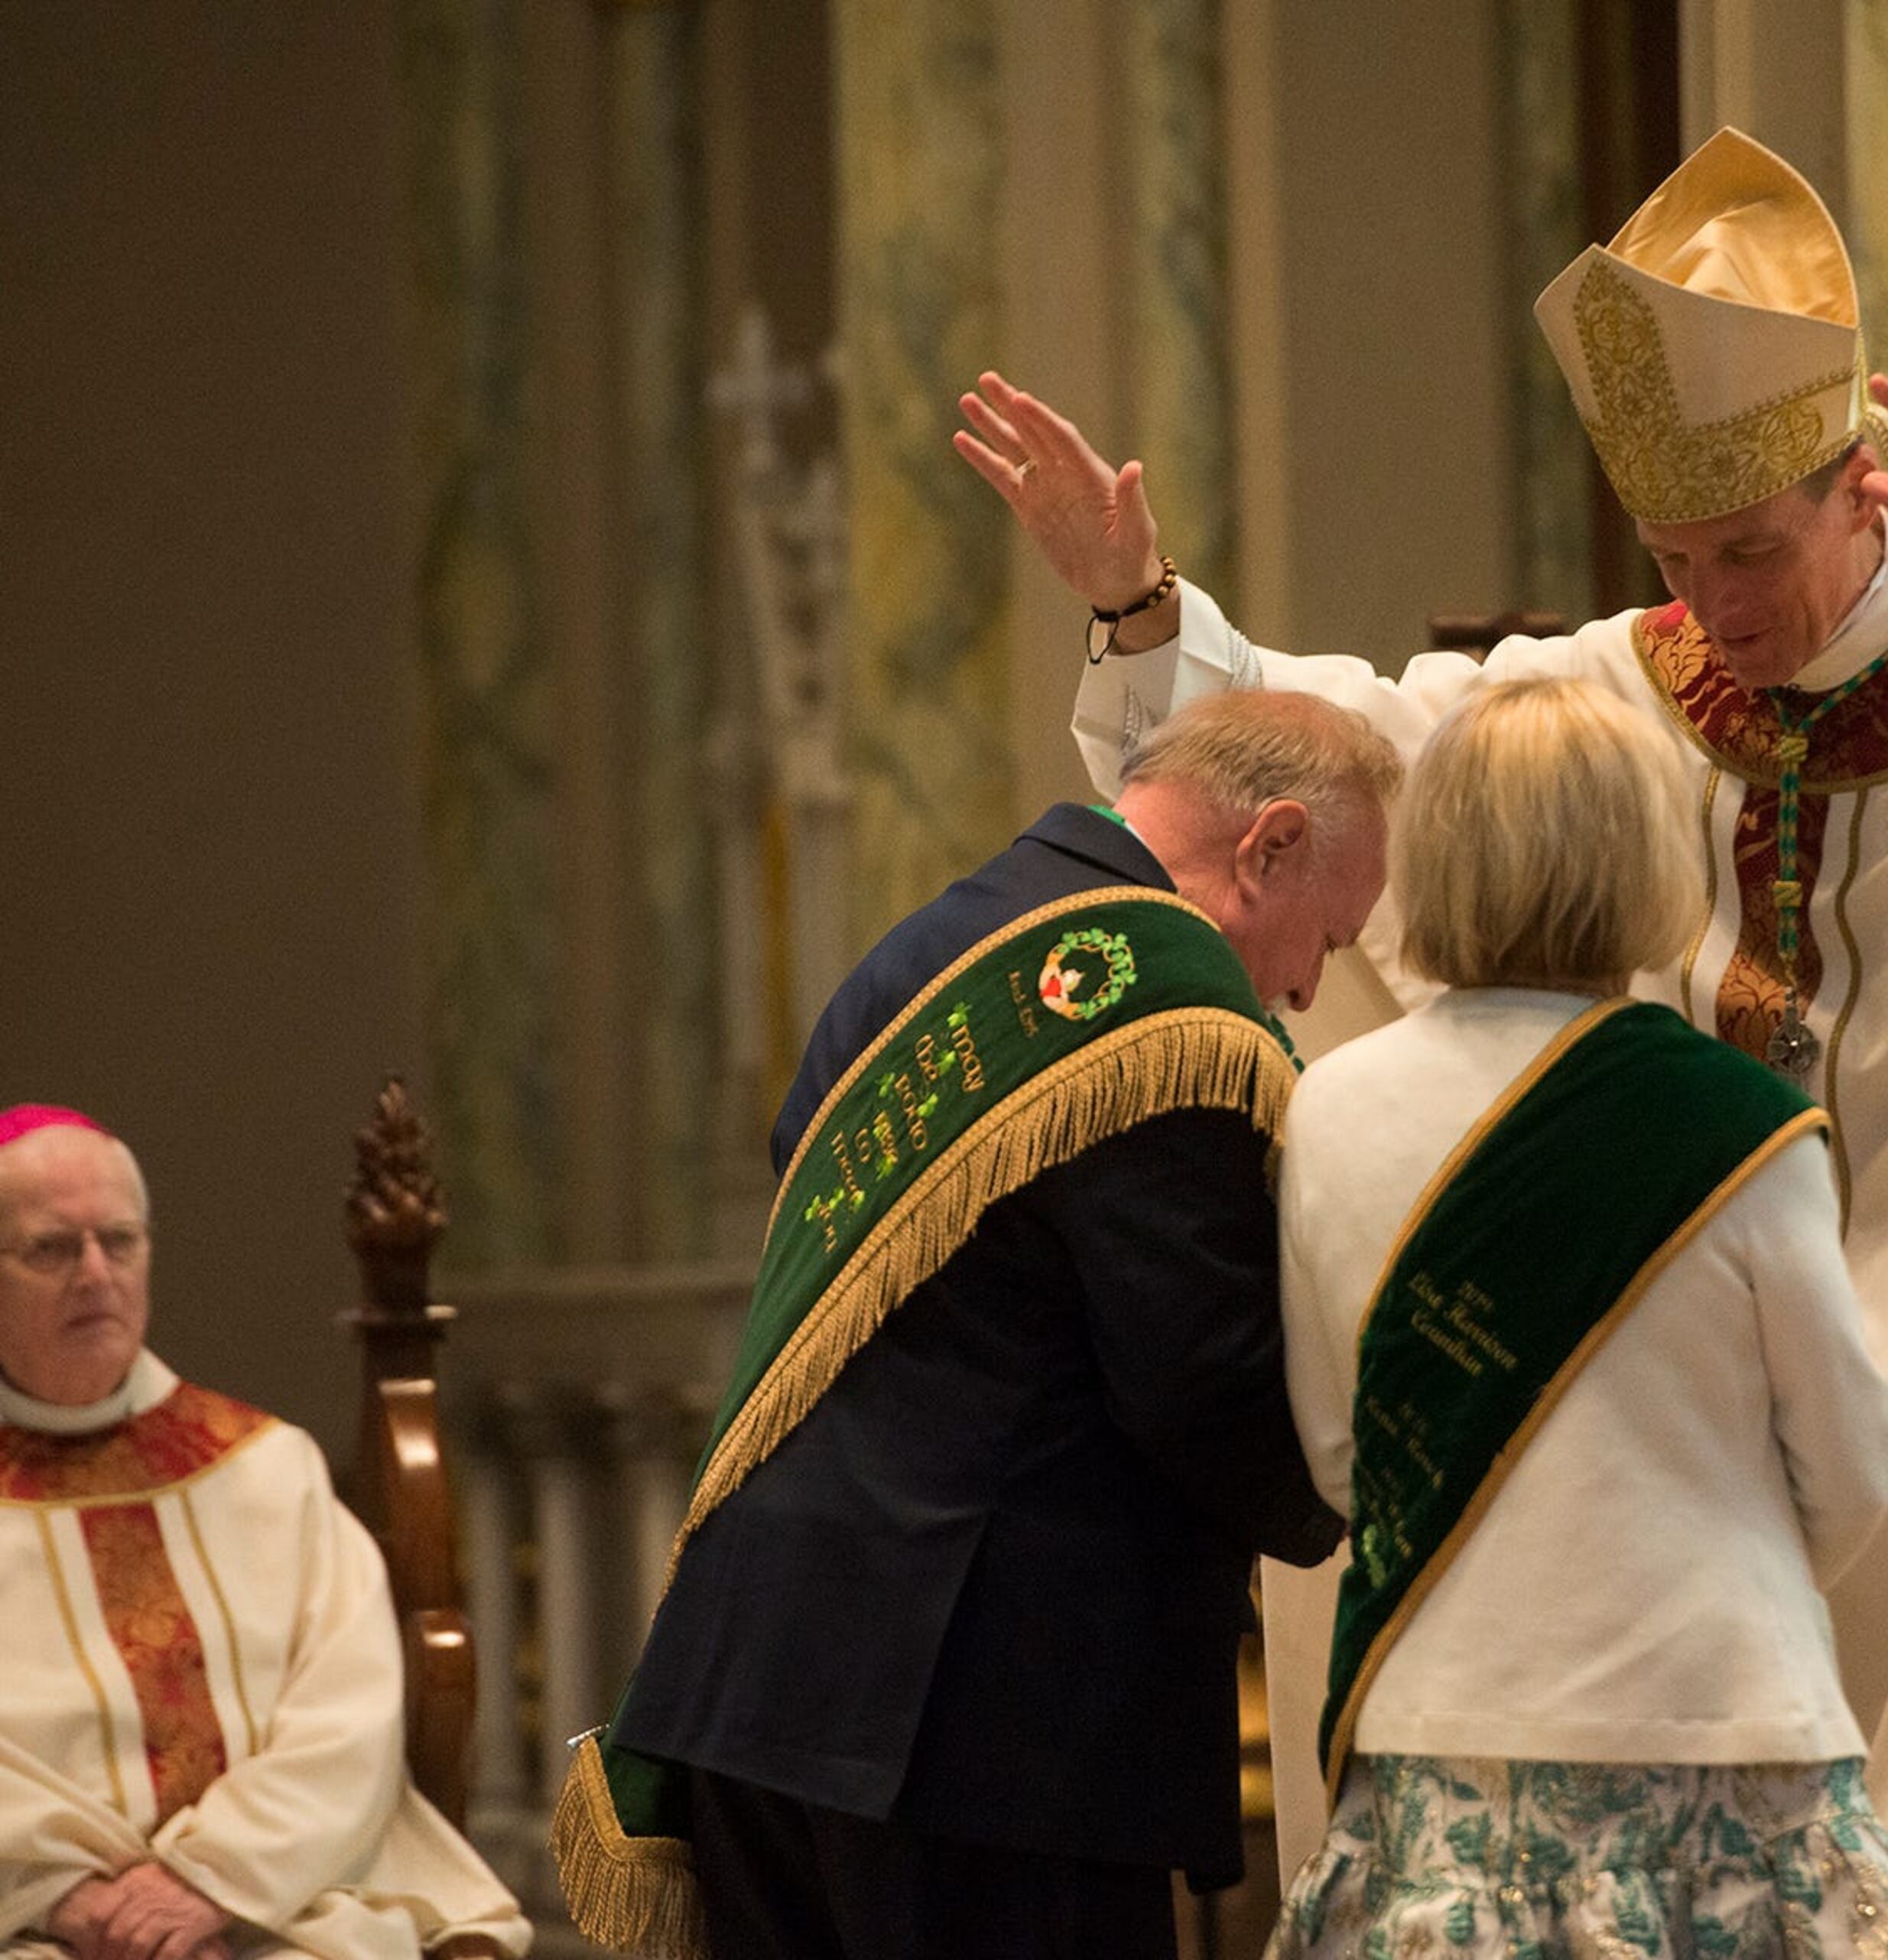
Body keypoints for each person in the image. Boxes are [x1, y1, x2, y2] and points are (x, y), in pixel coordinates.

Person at [959, 125, 1888, 1960]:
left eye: (1750, 549)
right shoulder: (1623, 690)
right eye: (1672, 554)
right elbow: (1336, 752)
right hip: (1679, 1418)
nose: (1713, 605)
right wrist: (1143, 617)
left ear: (1861, 490)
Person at [549, 691, 1401, 1960]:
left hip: (763, 1679)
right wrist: (1387, 1490)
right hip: (978, 1734)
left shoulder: (922, 949)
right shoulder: (1159, 1003)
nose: (1303, 983)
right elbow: (1202, 1389)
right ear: (1267, 844)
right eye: (1326, 936)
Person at [1272, 679, 1888, 1958]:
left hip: (1441, 1741)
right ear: (1645, 853)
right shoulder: (1736, 1121)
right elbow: (1853, 1467)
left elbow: (1340, 1456)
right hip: (1721, 1728)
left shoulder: (1329, 1105)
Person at [0, 1106, 529, 1960]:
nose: (95, 1273)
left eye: (119, 1241)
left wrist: (211, 1880)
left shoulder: (264, 1470)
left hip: (283, 1904)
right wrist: (72, 1902)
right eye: (51, 1248)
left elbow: (348, 1712)